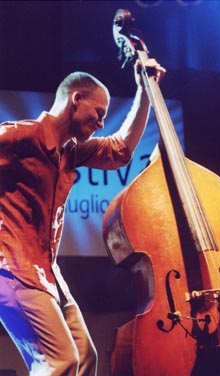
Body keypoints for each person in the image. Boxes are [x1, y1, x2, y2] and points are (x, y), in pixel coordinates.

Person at [0, 58, 165, 376]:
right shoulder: (21, 137)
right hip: (13, 270)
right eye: (99, 113)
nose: (102, 123)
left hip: (47, 274)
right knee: (60, 362)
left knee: (85, 358)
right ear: (77, 99)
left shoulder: (70, 151)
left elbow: (120, 151)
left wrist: (145, 89)